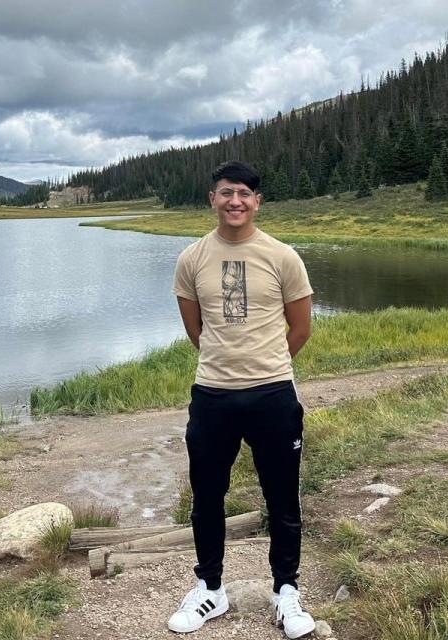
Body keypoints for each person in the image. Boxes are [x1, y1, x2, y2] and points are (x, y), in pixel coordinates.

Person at [167, 160, 315, 638]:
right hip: (212, 395)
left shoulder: (282, 256)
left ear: (257, 201)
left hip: (273, 395)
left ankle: (286, 591)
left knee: (282, 495)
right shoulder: (191, 258)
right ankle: (211, 587)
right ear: (212, 198)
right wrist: (227, 364)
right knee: (207, 496)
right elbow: (195, 329)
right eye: (226, 192)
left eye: (244, 194)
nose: (235, 201)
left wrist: (265, 366)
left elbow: (301, 328)